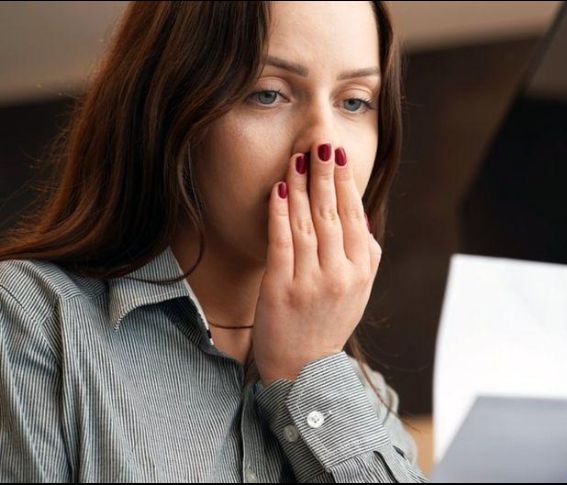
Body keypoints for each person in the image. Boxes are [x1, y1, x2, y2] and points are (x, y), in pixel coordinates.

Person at [0, 1, 427, 482]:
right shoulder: (30, 323)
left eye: (354, 102)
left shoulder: (367, 403)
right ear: (167, 106)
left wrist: (309, 370)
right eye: (268, 94)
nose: (322, 144)